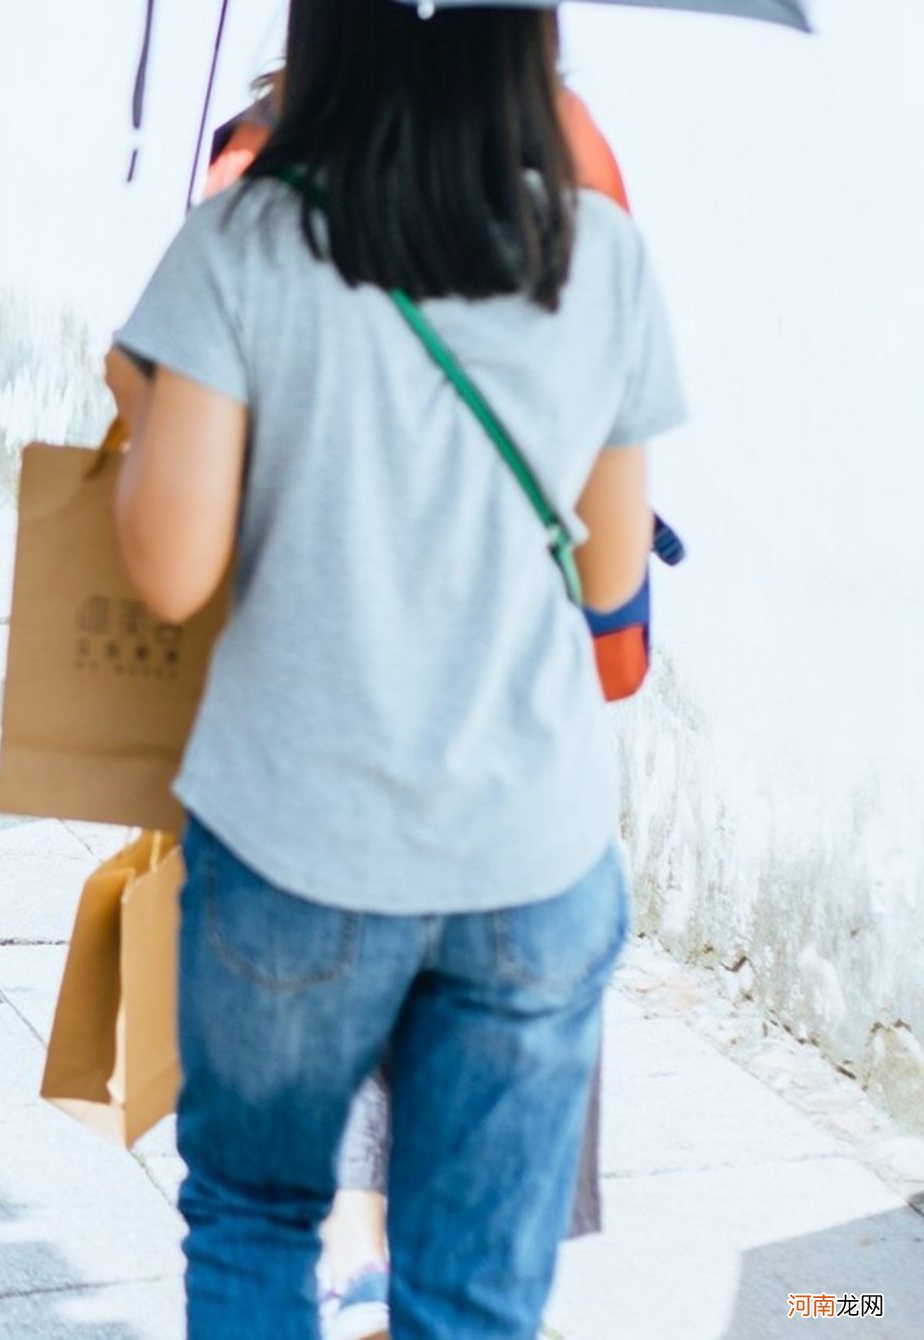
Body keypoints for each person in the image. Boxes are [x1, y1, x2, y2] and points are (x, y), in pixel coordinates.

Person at [109, 1, 684, 1335]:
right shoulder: (597, 256)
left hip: (295, 847)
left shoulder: (247, 241)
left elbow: (170, 572)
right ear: (523, 40)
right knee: (475, 1291)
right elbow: (609, 590)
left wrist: (158, 412)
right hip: (528, 857)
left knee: (255, 1218)